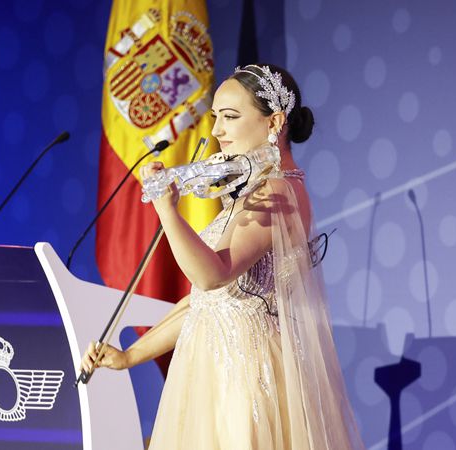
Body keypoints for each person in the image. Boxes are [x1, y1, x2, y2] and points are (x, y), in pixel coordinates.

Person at [81, 64, 364, 449]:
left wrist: (167, 211)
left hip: (247, 378)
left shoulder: (277, 193)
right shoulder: (252, 190)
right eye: (215, 118)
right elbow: (205, 301)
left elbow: (213, 276)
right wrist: (129, 356)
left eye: (230, 117)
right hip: (215, 372)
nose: (216, 131)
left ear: (274, 122)